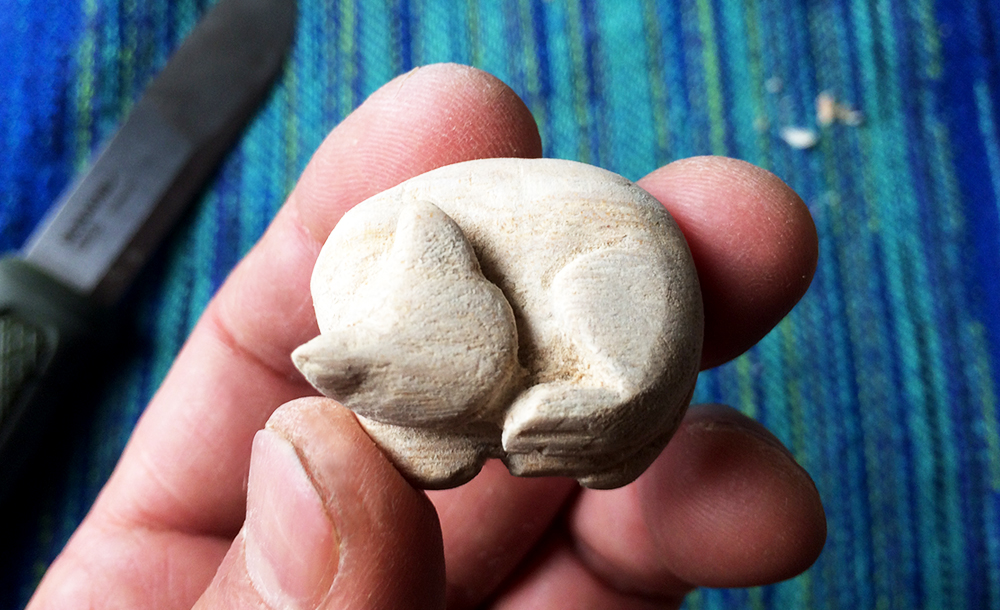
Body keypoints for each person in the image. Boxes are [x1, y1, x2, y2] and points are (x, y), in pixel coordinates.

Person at [26, 64, 826, 609]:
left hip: (609, 289)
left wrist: (611, 398)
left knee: (616, 314)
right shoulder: (361, 308)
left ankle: (605, 404)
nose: (500, 373)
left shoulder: (435, 247)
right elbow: (438, 443)